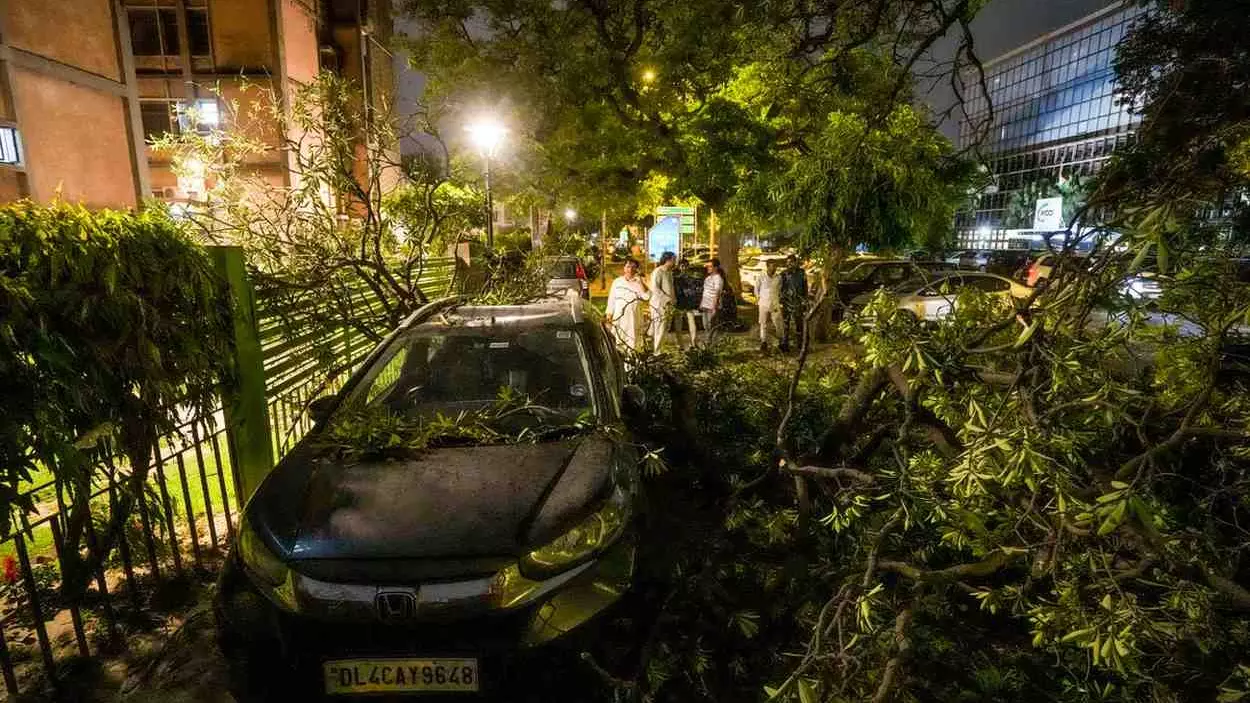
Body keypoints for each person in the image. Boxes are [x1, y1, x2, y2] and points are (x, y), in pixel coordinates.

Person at [605, 258, 650, 353]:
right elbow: (612, 299)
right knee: (619, 342)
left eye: (633, 267)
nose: (630, 269)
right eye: (628, 266)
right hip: (619, 318)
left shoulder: (639, 282)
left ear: (637, 269)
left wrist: (641, 281)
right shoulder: (617, 282)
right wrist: (609, 314)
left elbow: (647, 297)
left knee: (634, 343)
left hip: (634, 318)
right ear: (624, 268)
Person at [779, 254, 809, 353]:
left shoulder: (801, 273)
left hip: (798, 302)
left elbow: (805, 287)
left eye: (792, 262)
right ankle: (785, 344)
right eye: (788, 263)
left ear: (796, 262)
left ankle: (800, 344)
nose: (790, 264)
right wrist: (781, 300)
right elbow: (781, 288)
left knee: (799, 324)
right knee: (785, 324)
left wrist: (805, 300)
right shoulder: (784, 274)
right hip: (787, 302)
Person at [649, 251, 677, 352]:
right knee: (659, 329)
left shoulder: (669, 272)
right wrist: (667, 299)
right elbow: (654, 288)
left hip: (668, 306)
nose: (675, 262)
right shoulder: (658, 271)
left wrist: (673, 300)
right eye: (674, 259)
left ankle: (659, 349)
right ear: (668, 260)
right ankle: (657, 352)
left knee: (665, 329)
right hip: (659, 306)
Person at [673, 258, 703, 347]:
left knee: (688, 322)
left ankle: (691, 343)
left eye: (685, 266)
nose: (684, 268)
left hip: (684, 303)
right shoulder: (678, 278)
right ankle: (684, 343)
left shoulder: (679, 279)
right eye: (682, 266)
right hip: (681, 303)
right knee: (681, 323)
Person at [754, 259, 783, 352]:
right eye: (772, 266)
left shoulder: (778, 278)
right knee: (763, 323)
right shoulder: (761, 276)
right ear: (767, 266)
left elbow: (780, 289)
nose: (774, 268)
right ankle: (763, 341)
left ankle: (780, 341)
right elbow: (756, 288)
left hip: (775, 303)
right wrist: (758, 298)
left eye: (775, 266)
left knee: (778, 322)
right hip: (763, 303)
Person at [700, 258, 725, 342]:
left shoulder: (718, 278)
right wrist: (702, 303)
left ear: (716, 268)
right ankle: (709, 343)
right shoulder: (708, 278)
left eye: (710, 266)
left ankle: (712, 344)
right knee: (706, 326)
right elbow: (705, 291)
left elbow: (717, 293)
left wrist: (714, 307)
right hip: (705, 305)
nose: (708, 268)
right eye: (708, 266)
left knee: (712, 326)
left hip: (712, 306)